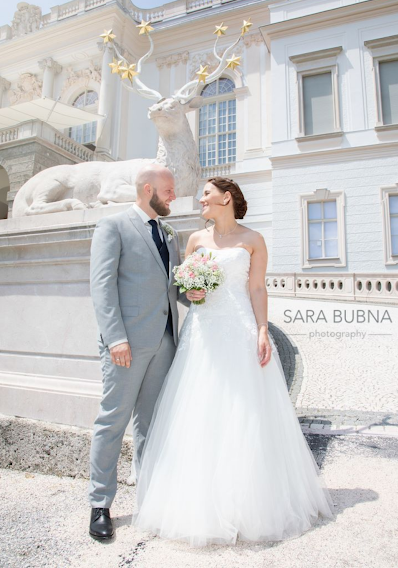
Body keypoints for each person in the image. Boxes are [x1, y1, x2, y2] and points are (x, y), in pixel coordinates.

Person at [132, 176, 335, 547]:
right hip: (203, 333)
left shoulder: (253, 240)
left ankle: (248, 505)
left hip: (239, 329)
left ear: (226, 198)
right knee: (200, 412)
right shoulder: (195, 240)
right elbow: (185, 287)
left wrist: (261, 330)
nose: (200, 201)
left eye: (206, 195)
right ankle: (198, 505)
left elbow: (256, 287)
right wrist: (191, 290)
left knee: (246, 414)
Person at [88, 164, 189, 540]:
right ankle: (100, 504)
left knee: (150, 424)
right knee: (112, 421)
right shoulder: (112, 226)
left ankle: (149, 499)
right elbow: (102, 287)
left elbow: (173, 287)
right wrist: (115, 338)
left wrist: (203, 296)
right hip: (125, 345)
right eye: (168, 190)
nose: (173, 196)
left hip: (164, 343)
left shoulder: (169, 233)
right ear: (148, 189)